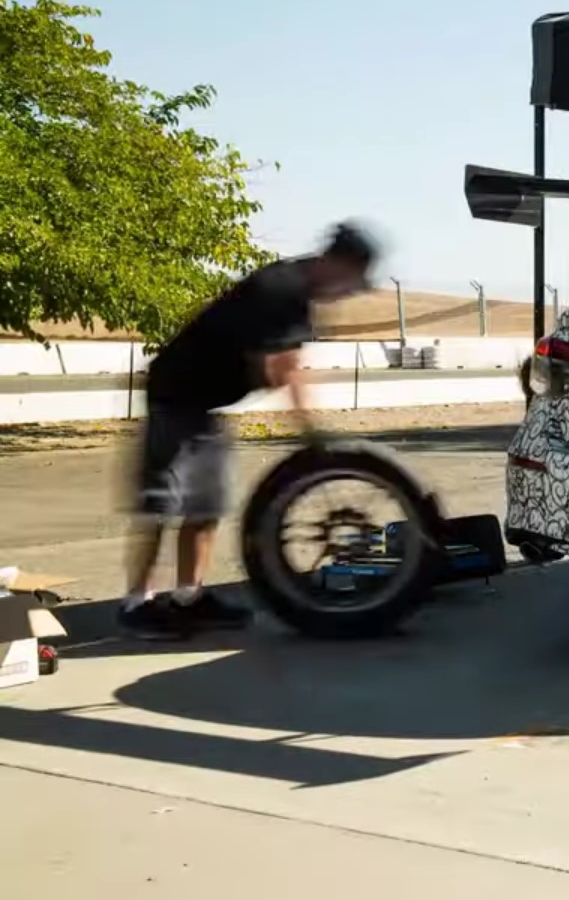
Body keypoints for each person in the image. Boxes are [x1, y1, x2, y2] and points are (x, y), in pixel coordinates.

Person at [120, 223, 379, 639]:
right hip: (174, 394)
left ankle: (189, 598)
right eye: (351, 282)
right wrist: (311, 433)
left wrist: (301, 407)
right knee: (159, 506)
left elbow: (285, 366)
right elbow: (277, 370)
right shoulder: (280, 288)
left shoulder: (298, 297)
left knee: (206, 506)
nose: (348, 294)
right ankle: (138, 605)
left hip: (206, 403)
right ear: (338, 265)